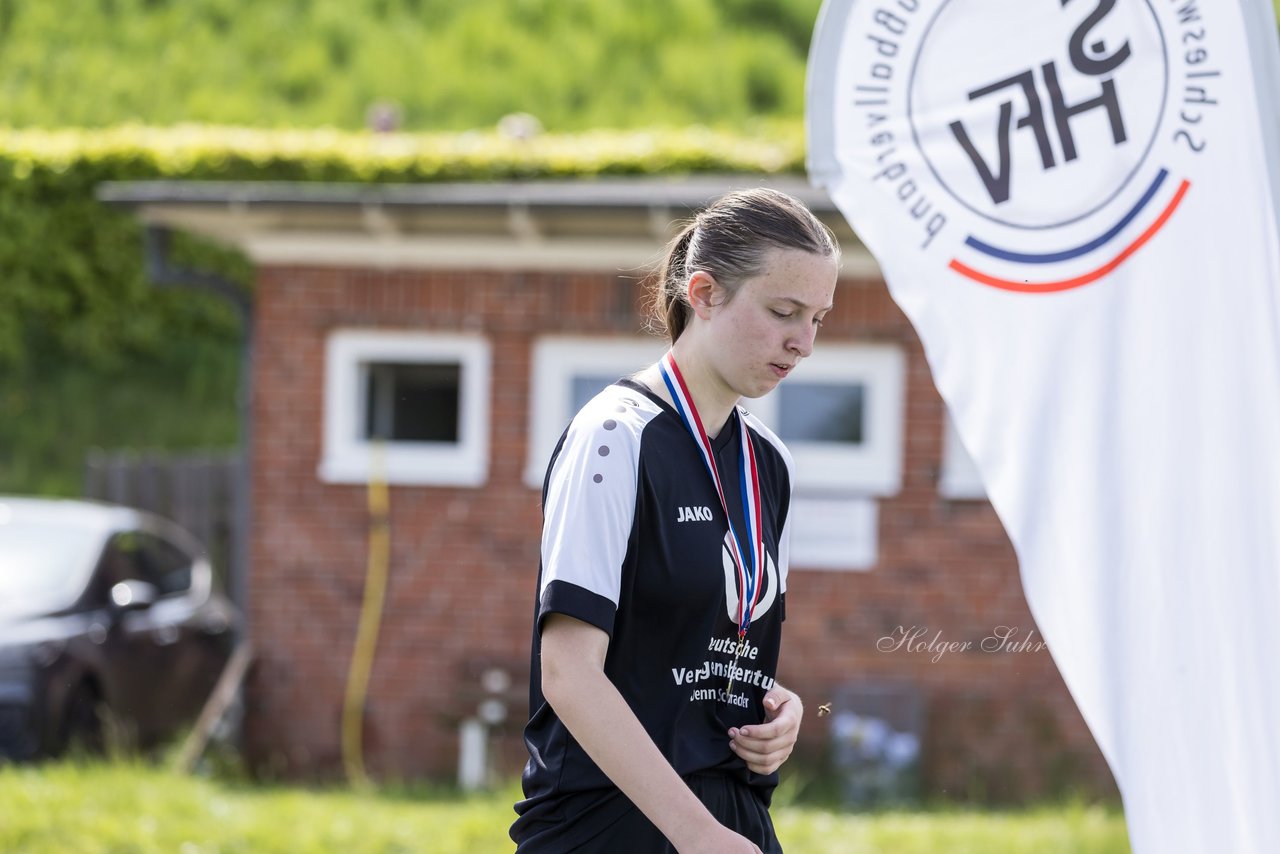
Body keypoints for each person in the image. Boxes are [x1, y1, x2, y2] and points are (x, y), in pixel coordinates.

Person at [510, 188, 840, 853]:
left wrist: (776, 702)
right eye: (783, 312)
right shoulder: (614, 437)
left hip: (732, 819)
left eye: (817, 319)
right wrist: (695, 834)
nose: (802, 343)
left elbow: (680, 646)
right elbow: (570, 673)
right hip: (612, 824)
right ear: (705, 293)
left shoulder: (770, 463)